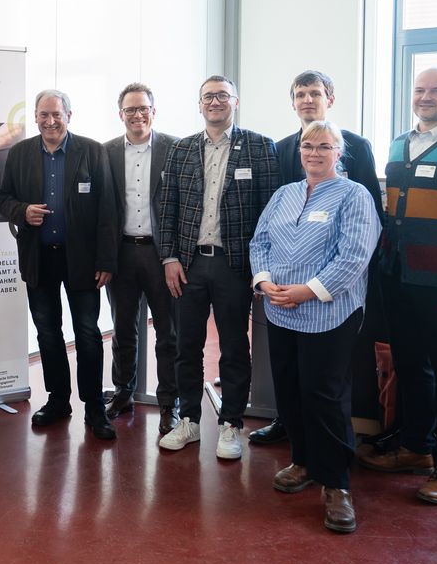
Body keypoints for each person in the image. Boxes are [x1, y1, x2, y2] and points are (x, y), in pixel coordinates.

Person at [358, 67, 437, 505]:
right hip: (400, 279)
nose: (425, 97)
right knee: (412, 368)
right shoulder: (399, 144)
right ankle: (416, 448)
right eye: (419, 90)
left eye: (436, 90)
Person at [250, 120, 380, 533]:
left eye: (324, 147)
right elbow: (260, 242)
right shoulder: (284, 194)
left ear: (338, 153)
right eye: (308, 146)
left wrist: (308, 291)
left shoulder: (353, 195)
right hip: (280, 310)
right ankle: (303, 462)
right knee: (289, 389)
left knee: (324, 394)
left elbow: (354, 256)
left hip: (329, 313)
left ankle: (337, 485)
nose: (314, 153)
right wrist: (264, 281)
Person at [249, 69, 382, 446]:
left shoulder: (354, 148)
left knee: (325, 384)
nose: (314, 154)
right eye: (300, 94)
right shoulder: (283, 147)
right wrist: (265, 278)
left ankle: (333, 463)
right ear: (293, 102)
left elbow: (367, 225)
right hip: (281, 294)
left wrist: (317, 287)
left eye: (315, 93)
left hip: (332, 297)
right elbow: (272, 221)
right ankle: (292, 433)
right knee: (289, 376)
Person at [157, 75, 279, 458]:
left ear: (235, 102)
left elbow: (270, 213)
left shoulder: (260, 147)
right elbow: (168, 207)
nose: (215, 102)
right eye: (208, 96)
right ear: (199, 104)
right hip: (189, 264)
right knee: (186, 345)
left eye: (222, 96)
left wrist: (262, 269)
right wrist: (170, 257)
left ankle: (231, 424)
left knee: (234, 347)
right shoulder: (182, 149)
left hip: (234, 264)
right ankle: (189, 420)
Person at [0, 89, 118, 440]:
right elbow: (3, 198)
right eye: (44, 115)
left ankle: (94, 406)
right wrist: (22, 211)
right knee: (48, 334)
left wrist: (107, 260)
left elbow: (108, 208)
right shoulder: (19, 153)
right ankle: (58, 400)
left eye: (57, 115)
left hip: (82, 261)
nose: (50, 121)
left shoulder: (92, 151)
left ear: (69, 116)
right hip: (39, 259)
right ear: (35, 117)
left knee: (89, 335)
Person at [104, 83, 179, 435]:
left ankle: (169, 403)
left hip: (161, 254)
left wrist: (176, 255)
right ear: (121, 114)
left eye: (143, 108)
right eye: (130, 109)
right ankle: (123, 392)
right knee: (123, 329)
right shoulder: (105, 153)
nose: (137, 115)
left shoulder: (174, 148)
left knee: (168, 332)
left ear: (153, 110)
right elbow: (101, 210)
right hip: (121, 253)